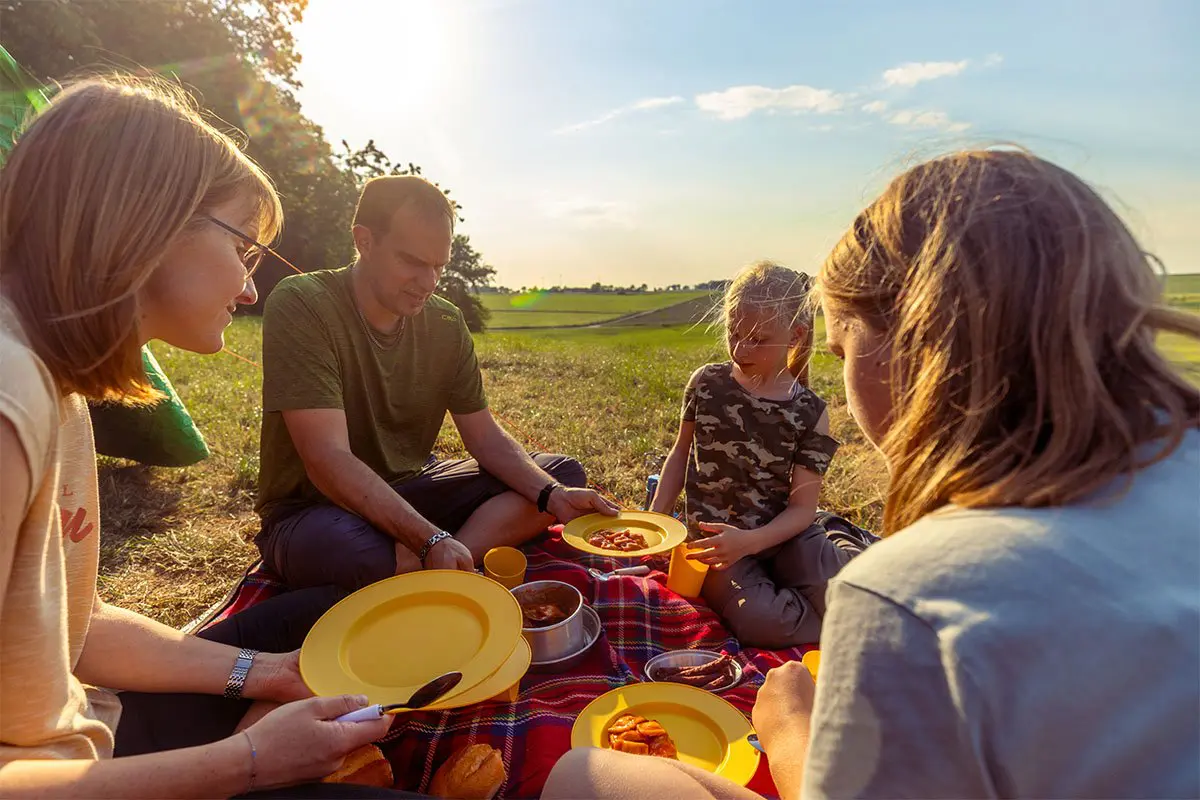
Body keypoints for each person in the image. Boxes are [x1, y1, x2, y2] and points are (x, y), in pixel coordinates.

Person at [545, 149, 1200, 799]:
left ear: (919, 347)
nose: (744, 351)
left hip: (787, 544)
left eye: (840, 346)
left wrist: (788, 727)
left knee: (579, 775)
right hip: (733, 543)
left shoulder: (904, 601)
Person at [0, 75, 424, 798]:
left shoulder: (55, 385)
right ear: (146, 221)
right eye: (245, 250)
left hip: (82, 730)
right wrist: (249, 762)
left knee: (327, 622)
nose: (250, 289)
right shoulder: (10, 399)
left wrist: (269, 673)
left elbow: (76, 624)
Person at [254, 175, 616, 592]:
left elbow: (485, 438)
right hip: (313, 509)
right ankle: (432, 558)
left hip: (412, 488)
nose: (428, 283)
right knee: (354, 553)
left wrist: (552, 496)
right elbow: (326, 459)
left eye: (438, 266)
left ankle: (438, 567)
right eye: (411, 262)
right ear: (364, 241)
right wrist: (428, 537)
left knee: (559, 475)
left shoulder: (445, 322)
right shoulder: (303, 302)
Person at [650, 261, 875, 648]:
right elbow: (678, 459)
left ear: (795, 335)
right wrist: (653, 529)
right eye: (734, 334)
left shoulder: (811, 412)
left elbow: (801, 510)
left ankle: (835, 542)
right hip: (717, 545)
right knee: (762, 623)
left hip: (786, 532)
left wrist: (753, 541)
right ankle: (839, 625)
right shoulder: (707, 384)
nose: (740, 349)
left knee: (858, 598)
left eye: (757, 339)